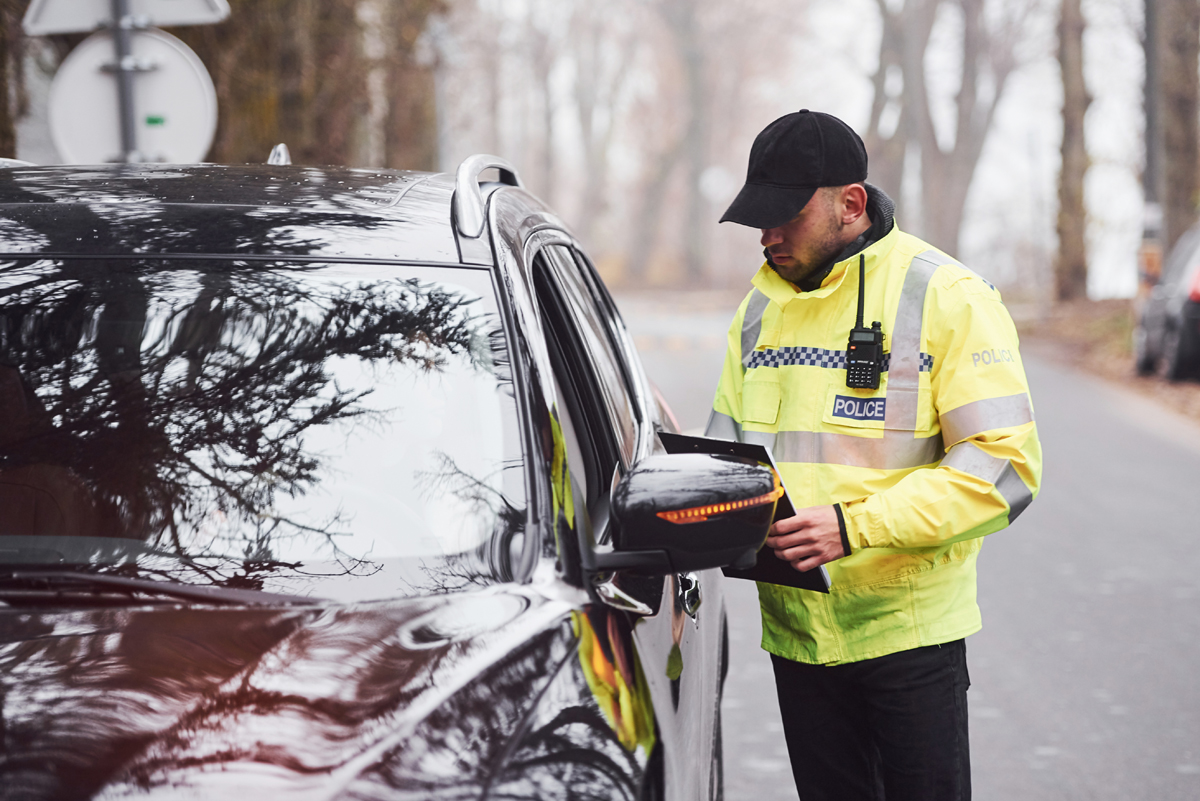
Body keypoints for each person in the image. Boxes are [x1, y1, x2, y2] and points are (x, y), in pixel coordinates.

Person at [706, 109, 1043, 801]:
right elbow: (726, 454)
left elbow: (1005, 469)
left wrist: (856, 525)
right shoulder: (758, 311)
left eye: (784, 216)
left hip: (907, 639)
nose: (767, 236)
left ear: (849, 204)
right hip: (798, 637)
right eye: (757, 218)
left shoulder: (948, 296)